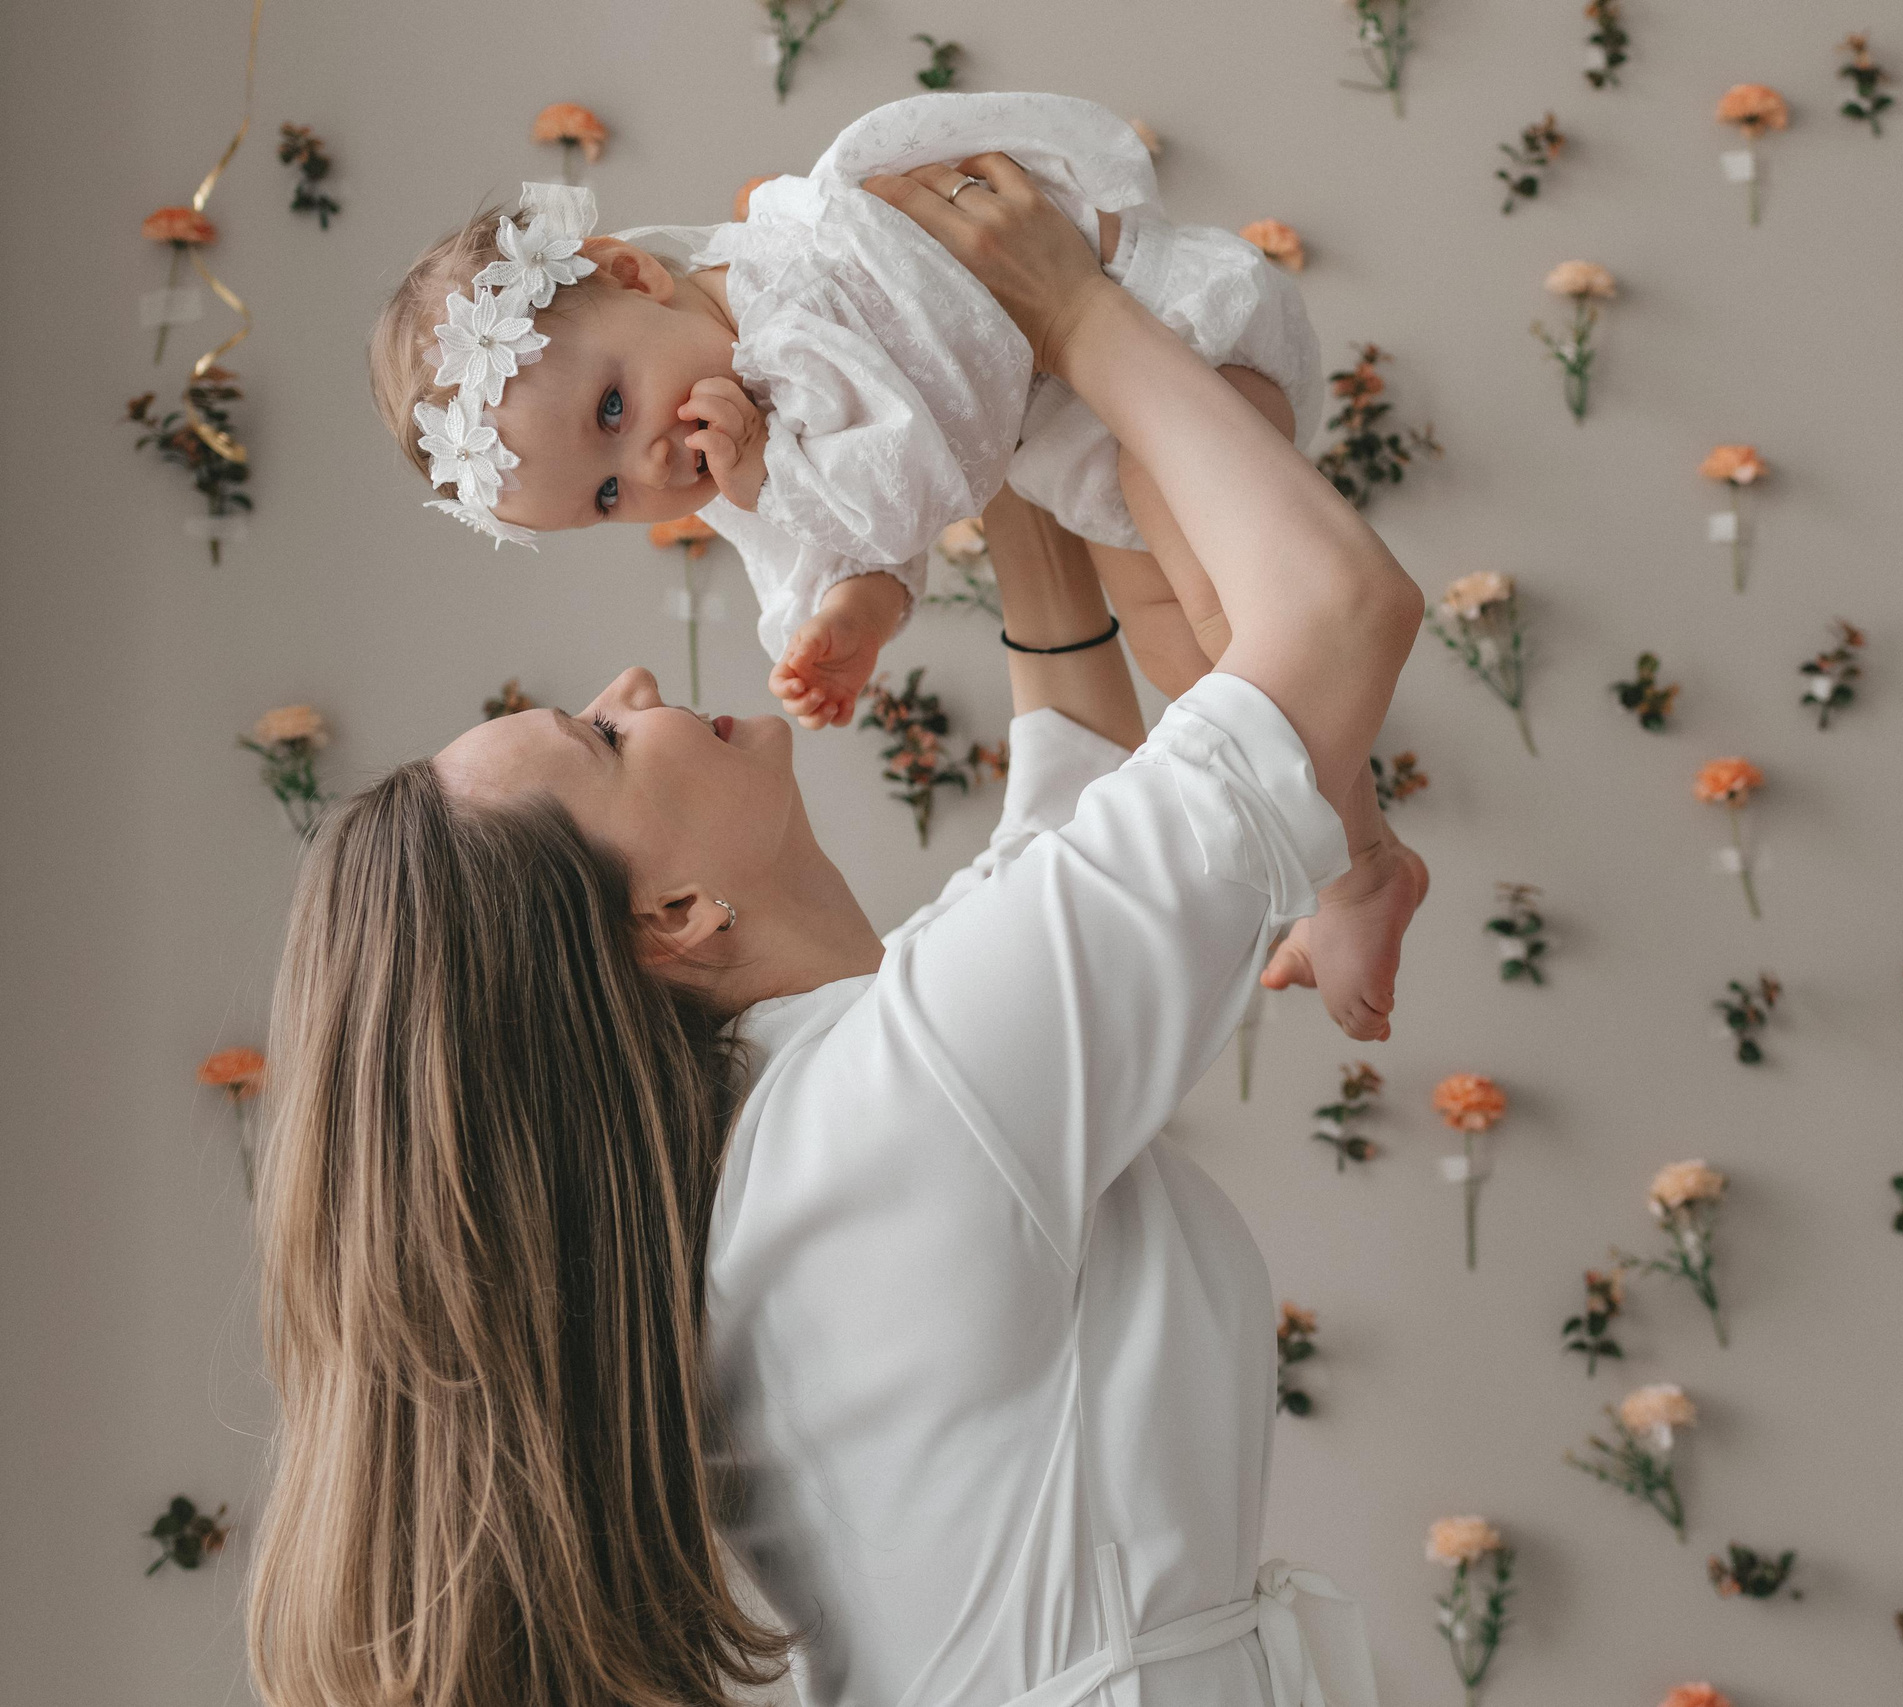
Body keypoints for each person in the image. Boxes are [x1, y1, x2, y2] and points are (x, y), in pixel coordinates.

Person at [250, 148, 1422, 1707]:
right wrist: (1074, 311)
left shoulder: (793, 1137)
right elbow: (1339, 614)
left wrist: (979, 405)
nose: (635, 684)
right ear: (675, 914)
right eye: (601, 737)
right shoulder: (891, 1112)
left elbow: (1072, 794)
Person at [367, 91, 1421, 1039]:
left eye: (611, 408)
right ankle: (1362, 864)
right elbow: (880, 534)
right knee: (1189, 662)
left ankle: (1358, 872)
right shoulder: (741, 434)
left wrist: (773, 480)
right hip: (1089, 429)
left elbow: (928, 475)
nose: (645, 465)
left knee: (1240, 635)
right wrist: (853, 615)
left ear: (636, 275)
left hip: (1173, 341)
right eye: (607, 496)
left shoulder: (798, 294)